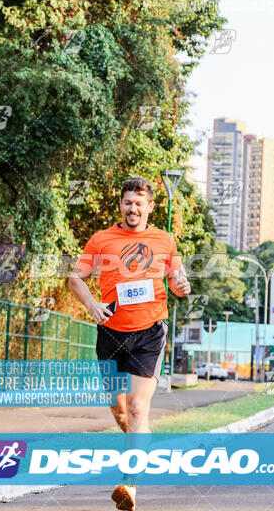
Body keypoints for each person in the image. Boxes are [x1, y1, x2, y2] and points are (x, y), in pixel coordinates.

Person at [68, 176, 190, 510]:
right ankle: (137, 440)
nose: (132, 208)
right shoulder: (102, 239)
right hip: (110, 333)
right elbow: (75, 278)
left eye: (139, 203)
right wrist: (92, 305)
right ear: (120, 205)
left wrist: (183, 284)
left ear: (150, 206)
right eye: (127, 202)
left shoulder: (165, 241)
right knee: (119, 410)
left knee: (138, 407)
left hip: (149, 333)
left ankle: (129, 482)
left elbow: (179, 286)